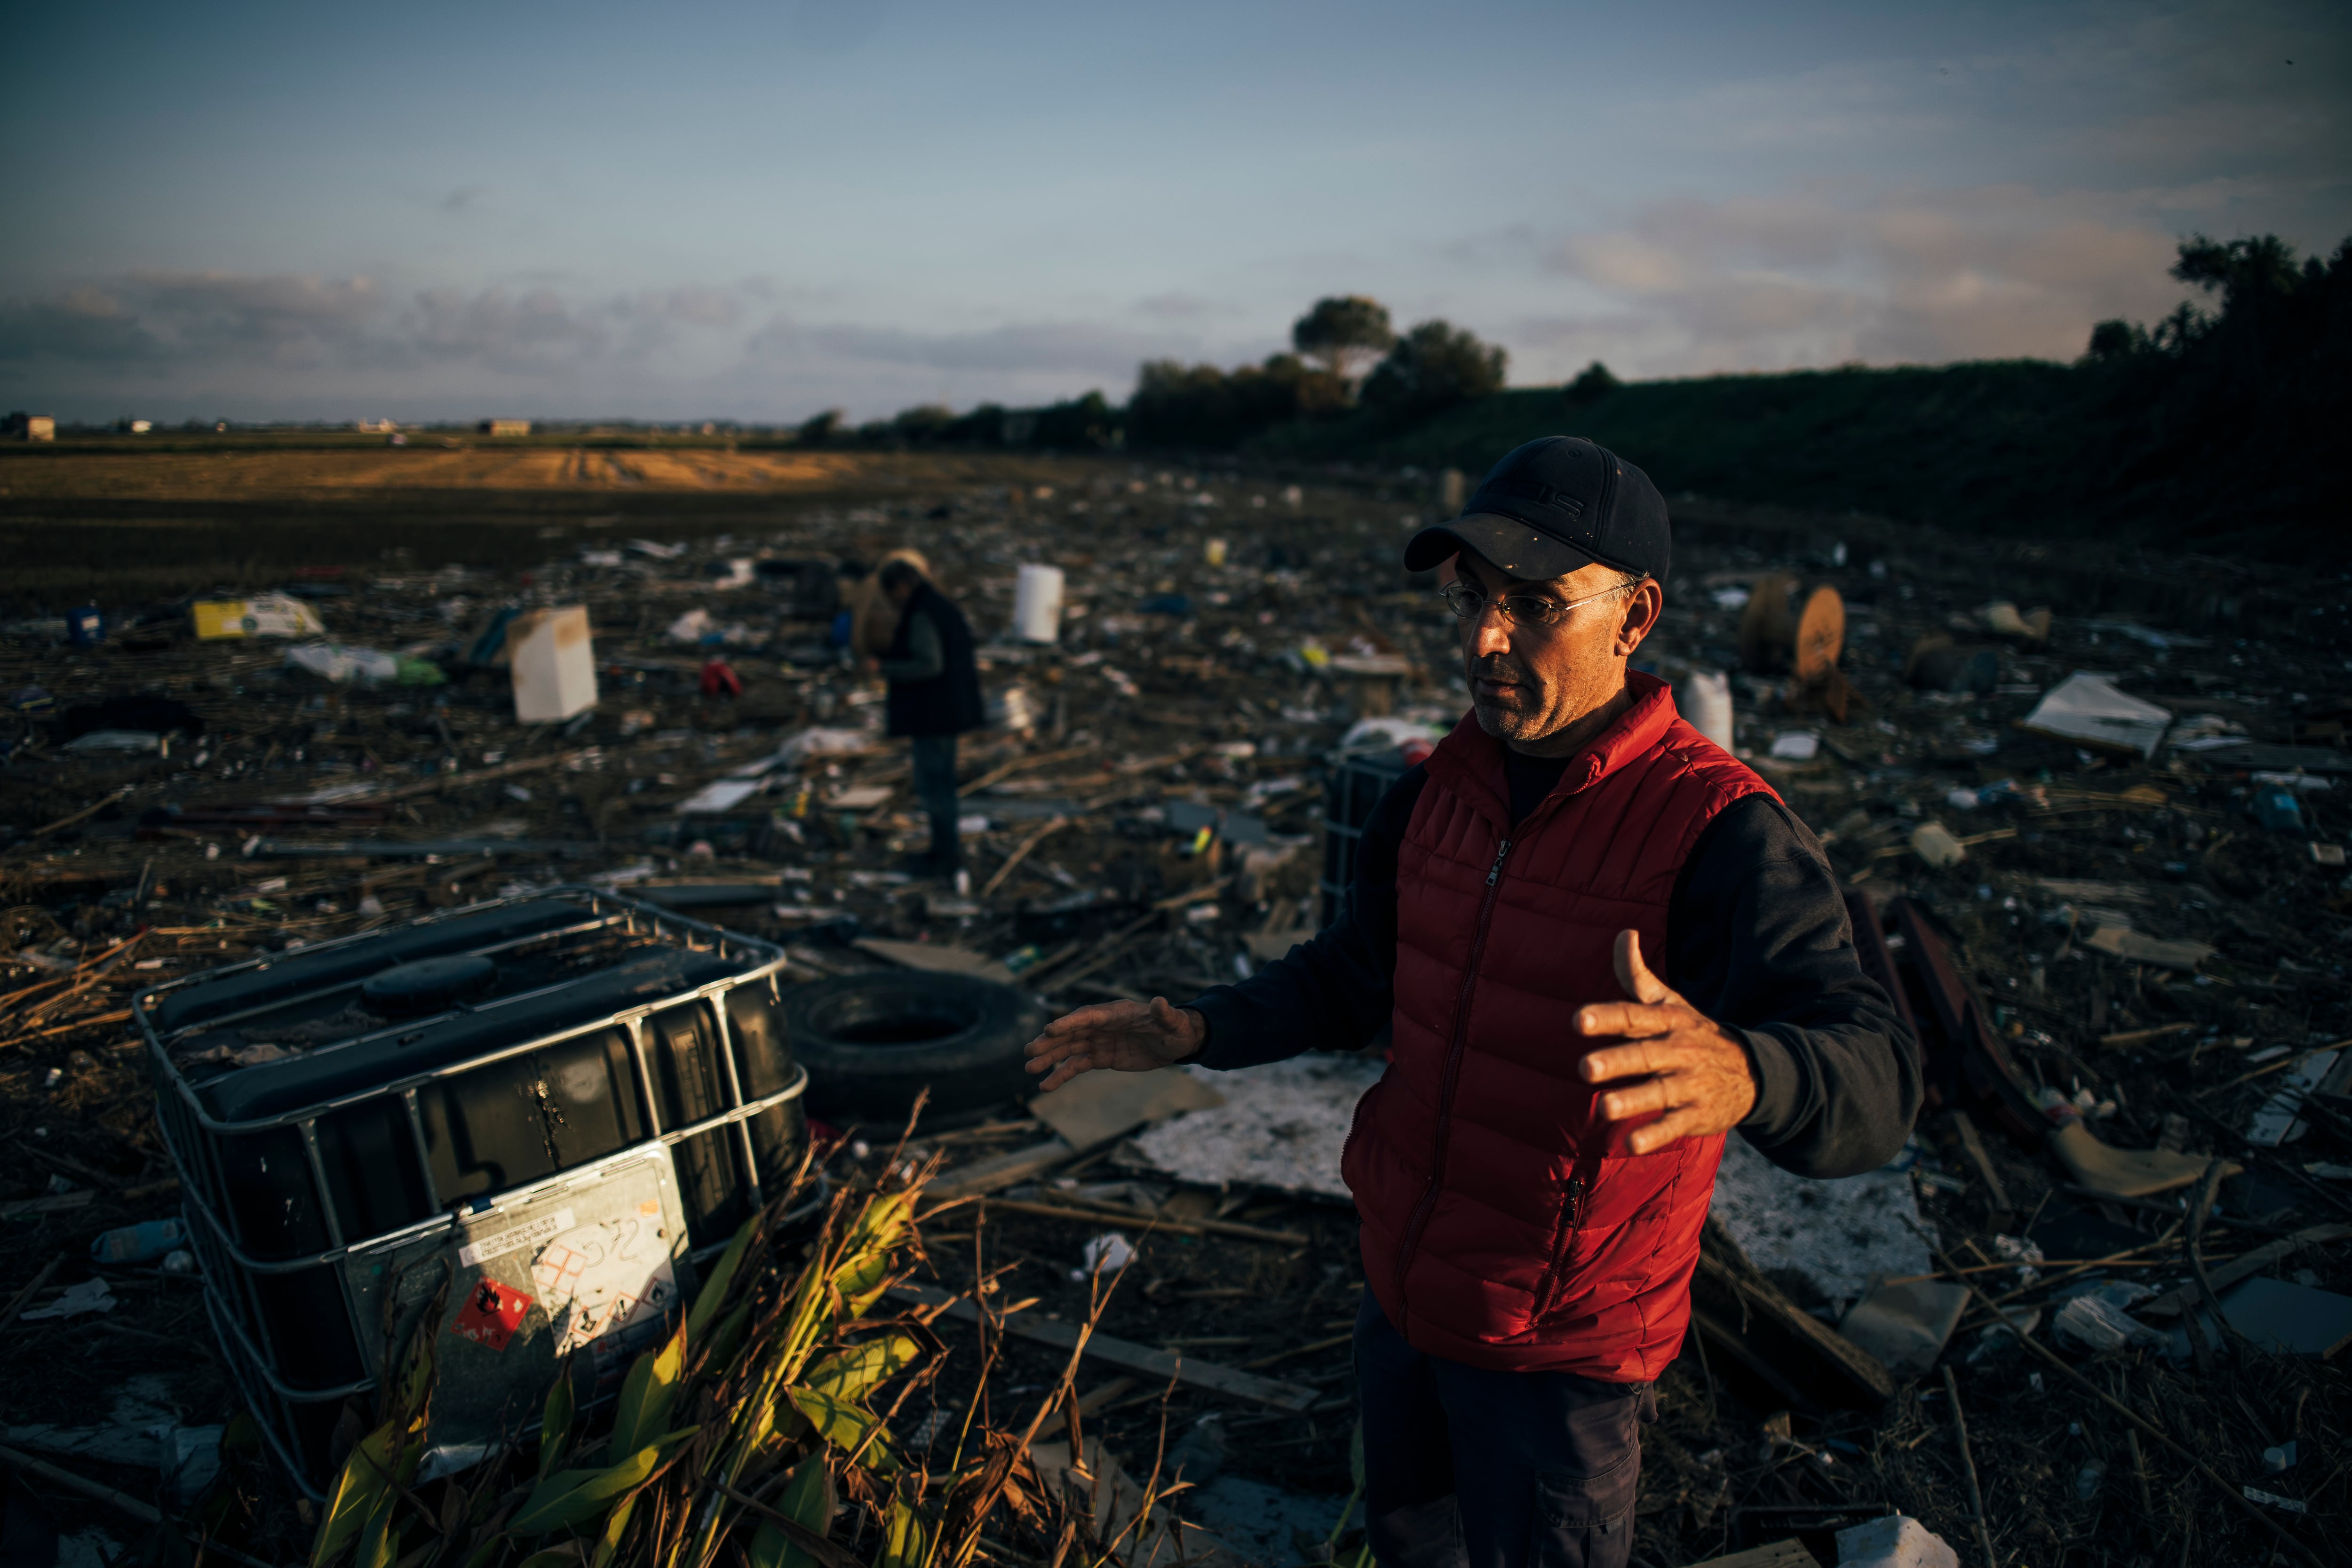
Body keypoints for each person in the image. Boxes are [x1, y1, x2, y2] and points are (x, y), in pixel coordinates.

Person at [1023, 436, 1920, 1568]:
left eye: (1536, 604)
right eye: (1471, 601)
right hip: (1402, 1298)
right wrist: (1201, 1028)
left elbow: (1878, 1077)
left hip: (1559, 1361)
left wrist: (1749, 1072)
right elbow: (1358, 974)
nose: (1485, 640)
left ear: (1635, 618)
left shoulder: (1721, 832)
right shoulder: (1432, 793)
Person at [868, 557, 984, 877]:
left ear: (902, 587)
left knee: (935, 785)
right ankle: (945, 850)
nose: (892, 602)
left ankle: (945, 855)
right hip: (947, 712)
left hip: (934, 715)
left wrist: (887, 669)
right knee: (942, 783)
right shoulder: (942, 606)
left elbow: (930, 664)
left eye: (892, 595)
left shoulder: (922, 614)